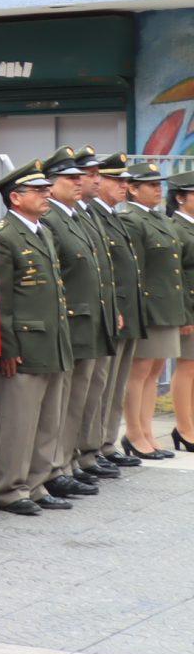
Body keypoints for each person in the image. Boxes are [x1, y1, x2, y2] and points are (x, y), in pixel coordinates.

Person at [0, 160, 75, 518]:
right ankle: (10, 489)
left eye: (45, 189)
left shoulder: (43, 231)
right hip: (23, 344)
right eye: (38, 191)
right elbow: (2, 299)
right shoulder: (4, 235)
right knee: (18, 422)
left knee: (47, 421)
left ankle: (36, 484)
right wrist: (7, 346)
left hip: (51, 340)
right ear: (15, 197)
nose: (46, 195)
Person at [41, 147, 116, 500]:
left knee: (81, 396)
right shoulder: (53, 218)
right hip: (71, 320)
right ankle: (60, 465)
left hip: (89, 317)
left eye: (79, 176)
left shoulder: (73, 215)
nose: (85, 181)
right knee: (67, 399)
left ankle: (71, 461)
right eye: (72, 177)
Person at [115, 158, 187, 463]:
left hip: (166, 305)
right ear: (131, 189)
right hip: (148, 306)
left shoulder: (159, 219)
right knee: (140, 371)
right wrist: (138, 309)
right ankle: (134, 433)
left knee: (154, 372)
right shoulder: (132, 219)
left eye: (159, 185)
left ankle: (146, 432)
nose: (158, 190)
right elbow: (134, 270)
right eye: (150, 185)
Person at [82, 152, 146, 477]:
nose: (124, 186)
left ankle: (106, 443)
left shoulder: (112, 215)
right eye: (116, 180)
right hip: (111, 311)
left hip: (123, 311)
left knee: (116, 383)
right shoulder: (93, 214)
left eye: (126, 181)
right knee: (102, 385)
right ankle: (94, 446)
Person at [169, 170, 194, 455]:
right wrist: (185, 315)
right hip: (189, 307)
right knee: (186, 368)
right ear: (180, 198)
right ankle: (184, 429)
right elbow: (176, 276)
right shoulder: (176, 227)